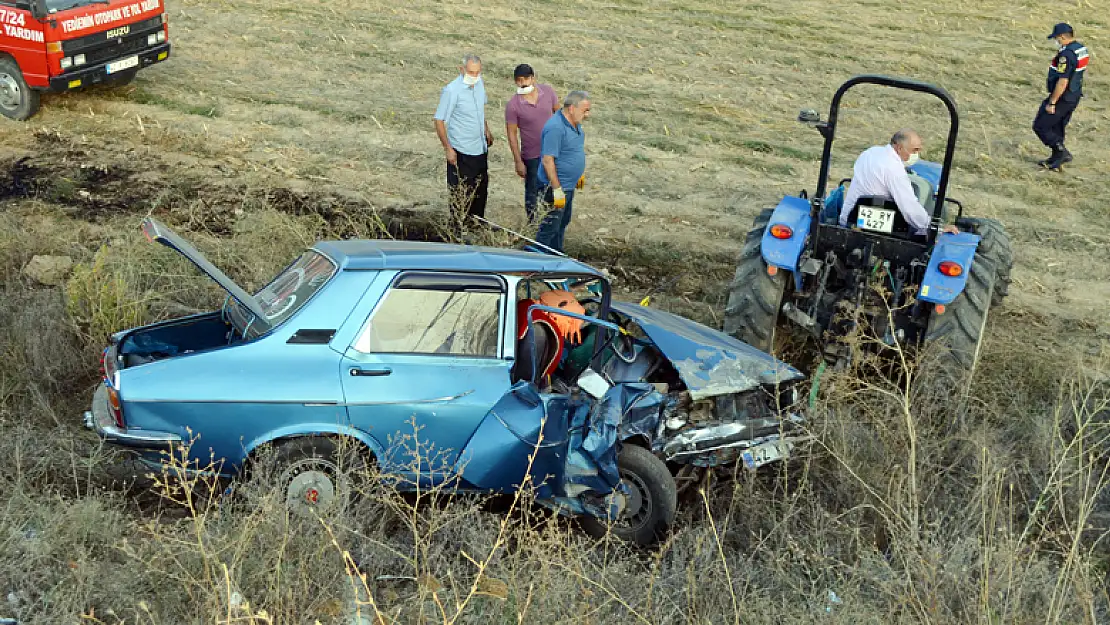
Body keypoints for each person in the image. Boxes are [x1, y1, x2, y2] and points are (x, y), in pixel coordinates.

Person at [838, 129, 959, 237]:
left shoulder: (869, 153)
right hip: (882, 229)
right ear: (899, 148)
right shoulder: (894, 169)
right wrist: (933, 227)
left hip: (849, 219)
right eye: (914, 150)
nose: (916, 155)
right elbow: (909, 207)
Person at [434, 54, 495, 230]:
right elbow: (439, 120)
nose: (474, 76)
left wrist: (486, 129)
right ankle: (459, 231)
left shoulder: (479, 84)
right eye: (470, 72)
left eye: (477, 72)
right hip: (462, 150)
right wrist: (448, 148)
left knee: (480, 192)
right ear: (461, 70)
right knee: (461, 195)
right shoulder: (452, 90)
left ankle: (476, 227)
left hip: (480, 148)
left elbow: (479, 110)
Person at [536, 91, 591, 252]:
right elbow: (547, 160)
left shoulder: (576, 125)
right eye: (585, 110)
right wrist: (556, 189)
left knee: (562, 222)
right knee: (550, 227)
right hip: (554, 188)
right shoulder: (555, 128)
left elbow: (573, 150)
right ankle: (537, 260)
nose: (588, 114)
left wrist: (578, 174)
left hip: (568, 186)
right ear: (572, 108)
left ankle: (556, 254)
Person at [505, 64, 560, 222]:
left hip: (552, 151)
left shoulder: (548, 92)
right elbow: (512, 133)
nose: (523, 83)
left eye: (526, 79)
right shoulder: (513, 105)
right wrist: (518, 161)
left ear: (533, 78)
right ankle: (533, 226)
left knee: (553, 188)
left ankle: (551, 222)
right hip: (532, 156)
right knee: (533, 193)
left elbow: (559, 114)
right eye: (519, 80)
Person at [1033, 23, 1089, 170]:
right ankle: (1056, 158)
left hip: (1063, 97)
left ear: (1063, 37)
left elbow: (1063, 81)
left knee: (1041, 125)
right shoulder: (1080, 49)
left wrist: (1052, 102)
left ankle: (1061, 152)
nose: (1056, 41)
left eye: (1057, 38)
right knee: (1057, 127)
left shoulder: (1066, 55)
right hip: (1074, 95)